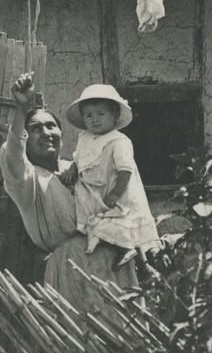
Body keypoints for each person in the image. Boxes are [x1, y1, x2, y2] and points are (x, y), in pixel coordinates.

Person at [0, 74, 138, 311]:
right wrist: (21, 109)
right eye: (35, 129)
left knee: (127, 324)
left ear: (62, 136)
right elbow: (12, 154)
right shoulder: (27, 181)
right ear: (25, 140)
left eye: (51, 126)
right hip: (73, 267)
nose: (46, 132)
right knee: (88, 328)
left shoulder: (83, 169)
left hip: (115, 259)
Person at [61, 85, 159, 267]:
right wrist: (72, 170)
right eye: (88, 115)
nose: (94, 120)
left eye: (101, 114)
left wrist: (115, 193)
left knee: (122, 222)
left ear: (114, 115)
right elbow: (80, 158)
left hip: (116, 190)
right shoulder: (84, 138)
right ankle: (115, 250)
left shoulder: (119, 141)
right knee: (95, 224)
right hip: (94, 192)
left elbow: (125, 170)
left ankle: (132, 251)